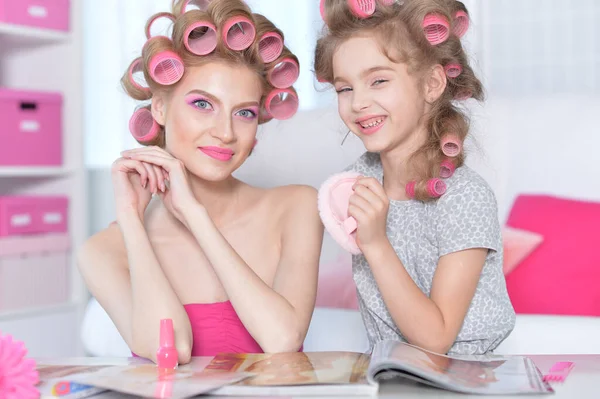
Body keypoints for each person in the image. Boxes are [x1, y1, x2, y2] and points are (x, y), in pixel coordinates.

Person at [77, 0, 323, 364]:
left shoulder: (297, 206)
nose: (225, 133)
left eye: (244, 113)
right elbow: (172, 351)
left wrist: (196, 216)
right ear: (160, 107)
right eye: (202, 104)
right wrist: (131, 220)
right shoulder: (102, 251)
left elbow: (282, 337)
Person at [314, 0, 515, 355]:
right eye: (345, 88)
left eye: (378, 81)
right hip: (391, 375)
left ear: (432, 83)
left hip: (464, 378)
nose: (358, 102)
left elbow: (436, 339)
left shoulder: (465, 197)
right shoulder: (356, 181)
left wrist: (375, 243)